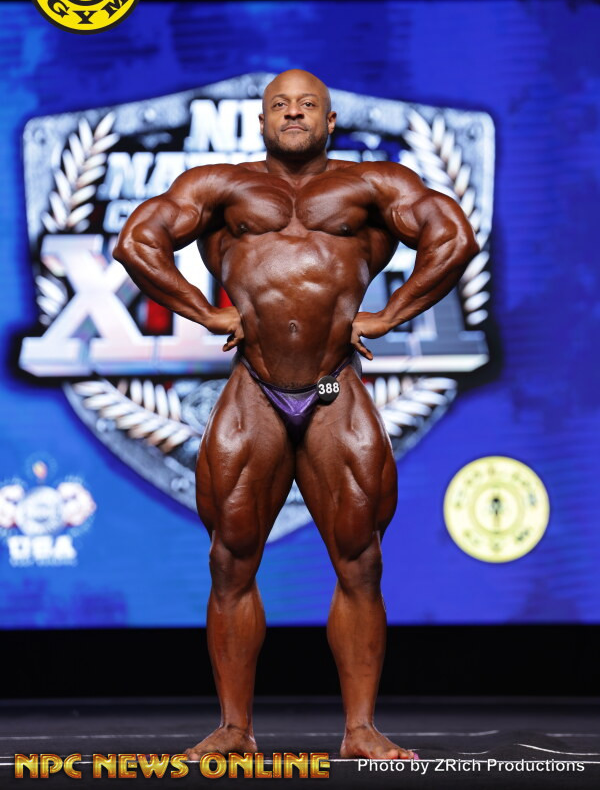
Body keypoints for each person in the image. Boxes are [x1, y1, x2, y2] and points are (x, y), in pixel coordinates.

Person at [113, 69, 479, 760]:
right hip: (253, 390)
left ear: (330, 120)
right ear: (260, 121)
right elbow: (137, 241)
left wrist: (394, 313)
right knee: (230, 559)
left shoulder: (372, 185)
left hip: (336, 388)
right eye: (279, 105)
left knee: (360, 559)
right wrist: (203, 310)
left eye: (307, 104)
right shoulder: (222, 186)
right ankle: (234, 729)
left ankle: (361, 730)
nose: (293, 113)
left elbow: (454, 236)